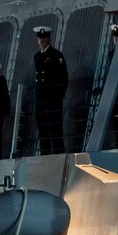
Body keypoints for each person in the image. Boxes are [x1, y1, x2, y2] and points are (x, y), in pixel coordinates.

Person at [33, 25, 68, 155]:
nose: (42, 40)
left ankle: (59, 155)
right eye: (40, 38)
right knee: (43, 129)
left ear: (49, 38)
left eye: (44, 37)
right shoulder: (37, 56)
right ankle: (45, 156)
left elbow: (63, 78)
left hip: (53, 100)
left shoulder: (56, 55)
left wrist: (58, 96)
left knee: (55, 129)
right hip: (41, 100)